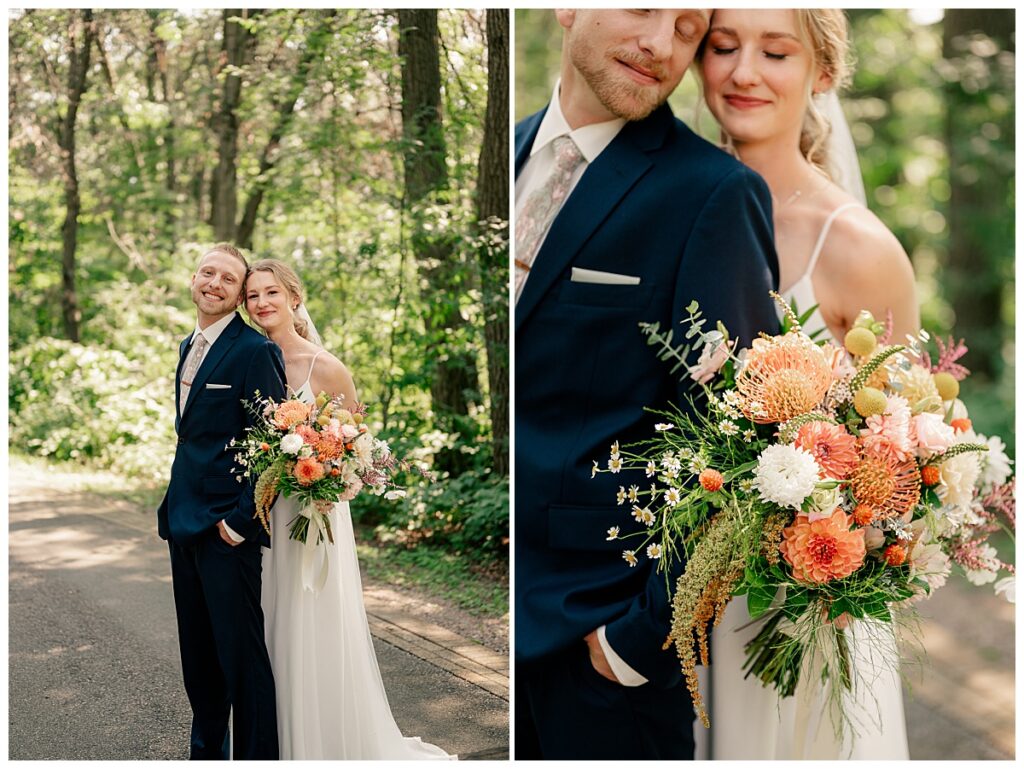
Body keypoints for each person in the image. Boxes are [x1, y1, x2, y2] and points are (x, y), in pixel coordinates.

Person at [515, 9, 780, 760]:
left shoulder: (713, 194)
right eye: (642, 7)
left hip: (596, 658)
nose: (661, 44)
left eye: (689, 26)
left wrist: (636, 642)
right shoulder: (505, 153)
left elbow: (748, 457)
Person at [695, 8, 919, 759]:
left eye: (776, 52)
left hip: (802, 617)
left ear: (822, 72)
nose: (743, 72)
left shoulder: (859, 247)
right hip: (679, 607)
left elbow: (900, 462)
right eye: (723, 47)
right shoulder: (671, 208)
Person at [243, 259, 454, 760]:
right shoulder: (249, 359)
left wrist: (325, 478)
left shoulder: (325, 366)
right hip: (267, 514)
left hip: (314, 518)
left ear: (294, 297)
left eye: (271, 292)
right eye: (252, 296)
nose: (262, 303)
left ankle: (326, 743)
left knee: (313, 621)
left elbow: (360, 447)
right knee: (268, 620)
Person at [157, 244, 286, 760]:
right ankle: (206, 755)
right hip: (182, 525)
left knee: (241, 661)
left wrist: (240, 522)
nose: (214, 282)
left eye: (228, 279)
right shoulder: (190, 343)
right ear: (194, 278)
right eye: (208, 272)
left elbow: (272, 446)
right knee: (199, 662)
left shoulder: (255, 352)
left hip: (226, 531)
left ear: (237, 296)